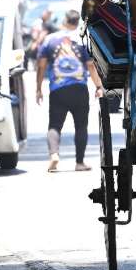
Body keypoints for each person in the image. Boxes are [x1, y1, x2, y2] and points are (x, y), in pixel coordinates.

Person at [36, 10, 105, 172]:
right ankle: (79, 163)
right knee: (81, 126)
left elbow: (41, 65)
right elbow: (90, 65)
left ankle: (54, 155)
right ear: (76, 22)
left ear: (64, 21)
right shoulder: (82, 40)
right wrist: (98, 86)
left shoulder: (49, 39)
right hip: (79, 89)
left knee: (54, 125)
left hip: (57, 90)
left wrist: (38, 89)